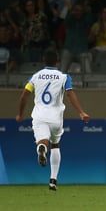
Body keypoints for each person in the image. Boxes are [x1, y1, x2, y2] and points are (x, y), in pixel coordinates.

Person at [15, 49, 90, 191]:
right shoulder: (64, 76)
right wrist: (81, 112)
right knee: (55, 145)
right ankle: (53, 180)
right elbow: (70, 93)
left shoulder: (35, 76)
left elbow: (24, 95)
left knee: (42, 141)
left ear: (44, 60)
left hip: (39, 116)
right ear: (58, 62)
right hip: (56, 118)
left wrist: (20, 114)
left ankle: (41, 148)